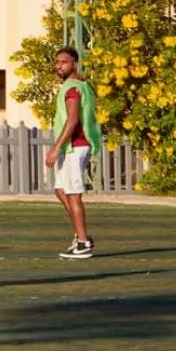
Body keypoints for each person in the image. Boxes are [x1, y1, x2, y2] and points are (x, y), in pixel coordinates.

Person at [46, 46, 100, 259]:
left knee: (73, 193)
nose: (59, 65)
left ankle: (84, 242)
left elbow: (73, 120)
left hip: (75, 146)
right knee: (60, 190)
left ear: (74, 64)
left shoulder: (72, 89)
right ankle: (81, 234)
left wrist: (57, 146)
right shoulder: (79, 85)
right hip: (72, 146)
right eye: (57, 62)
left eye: (64, 62)